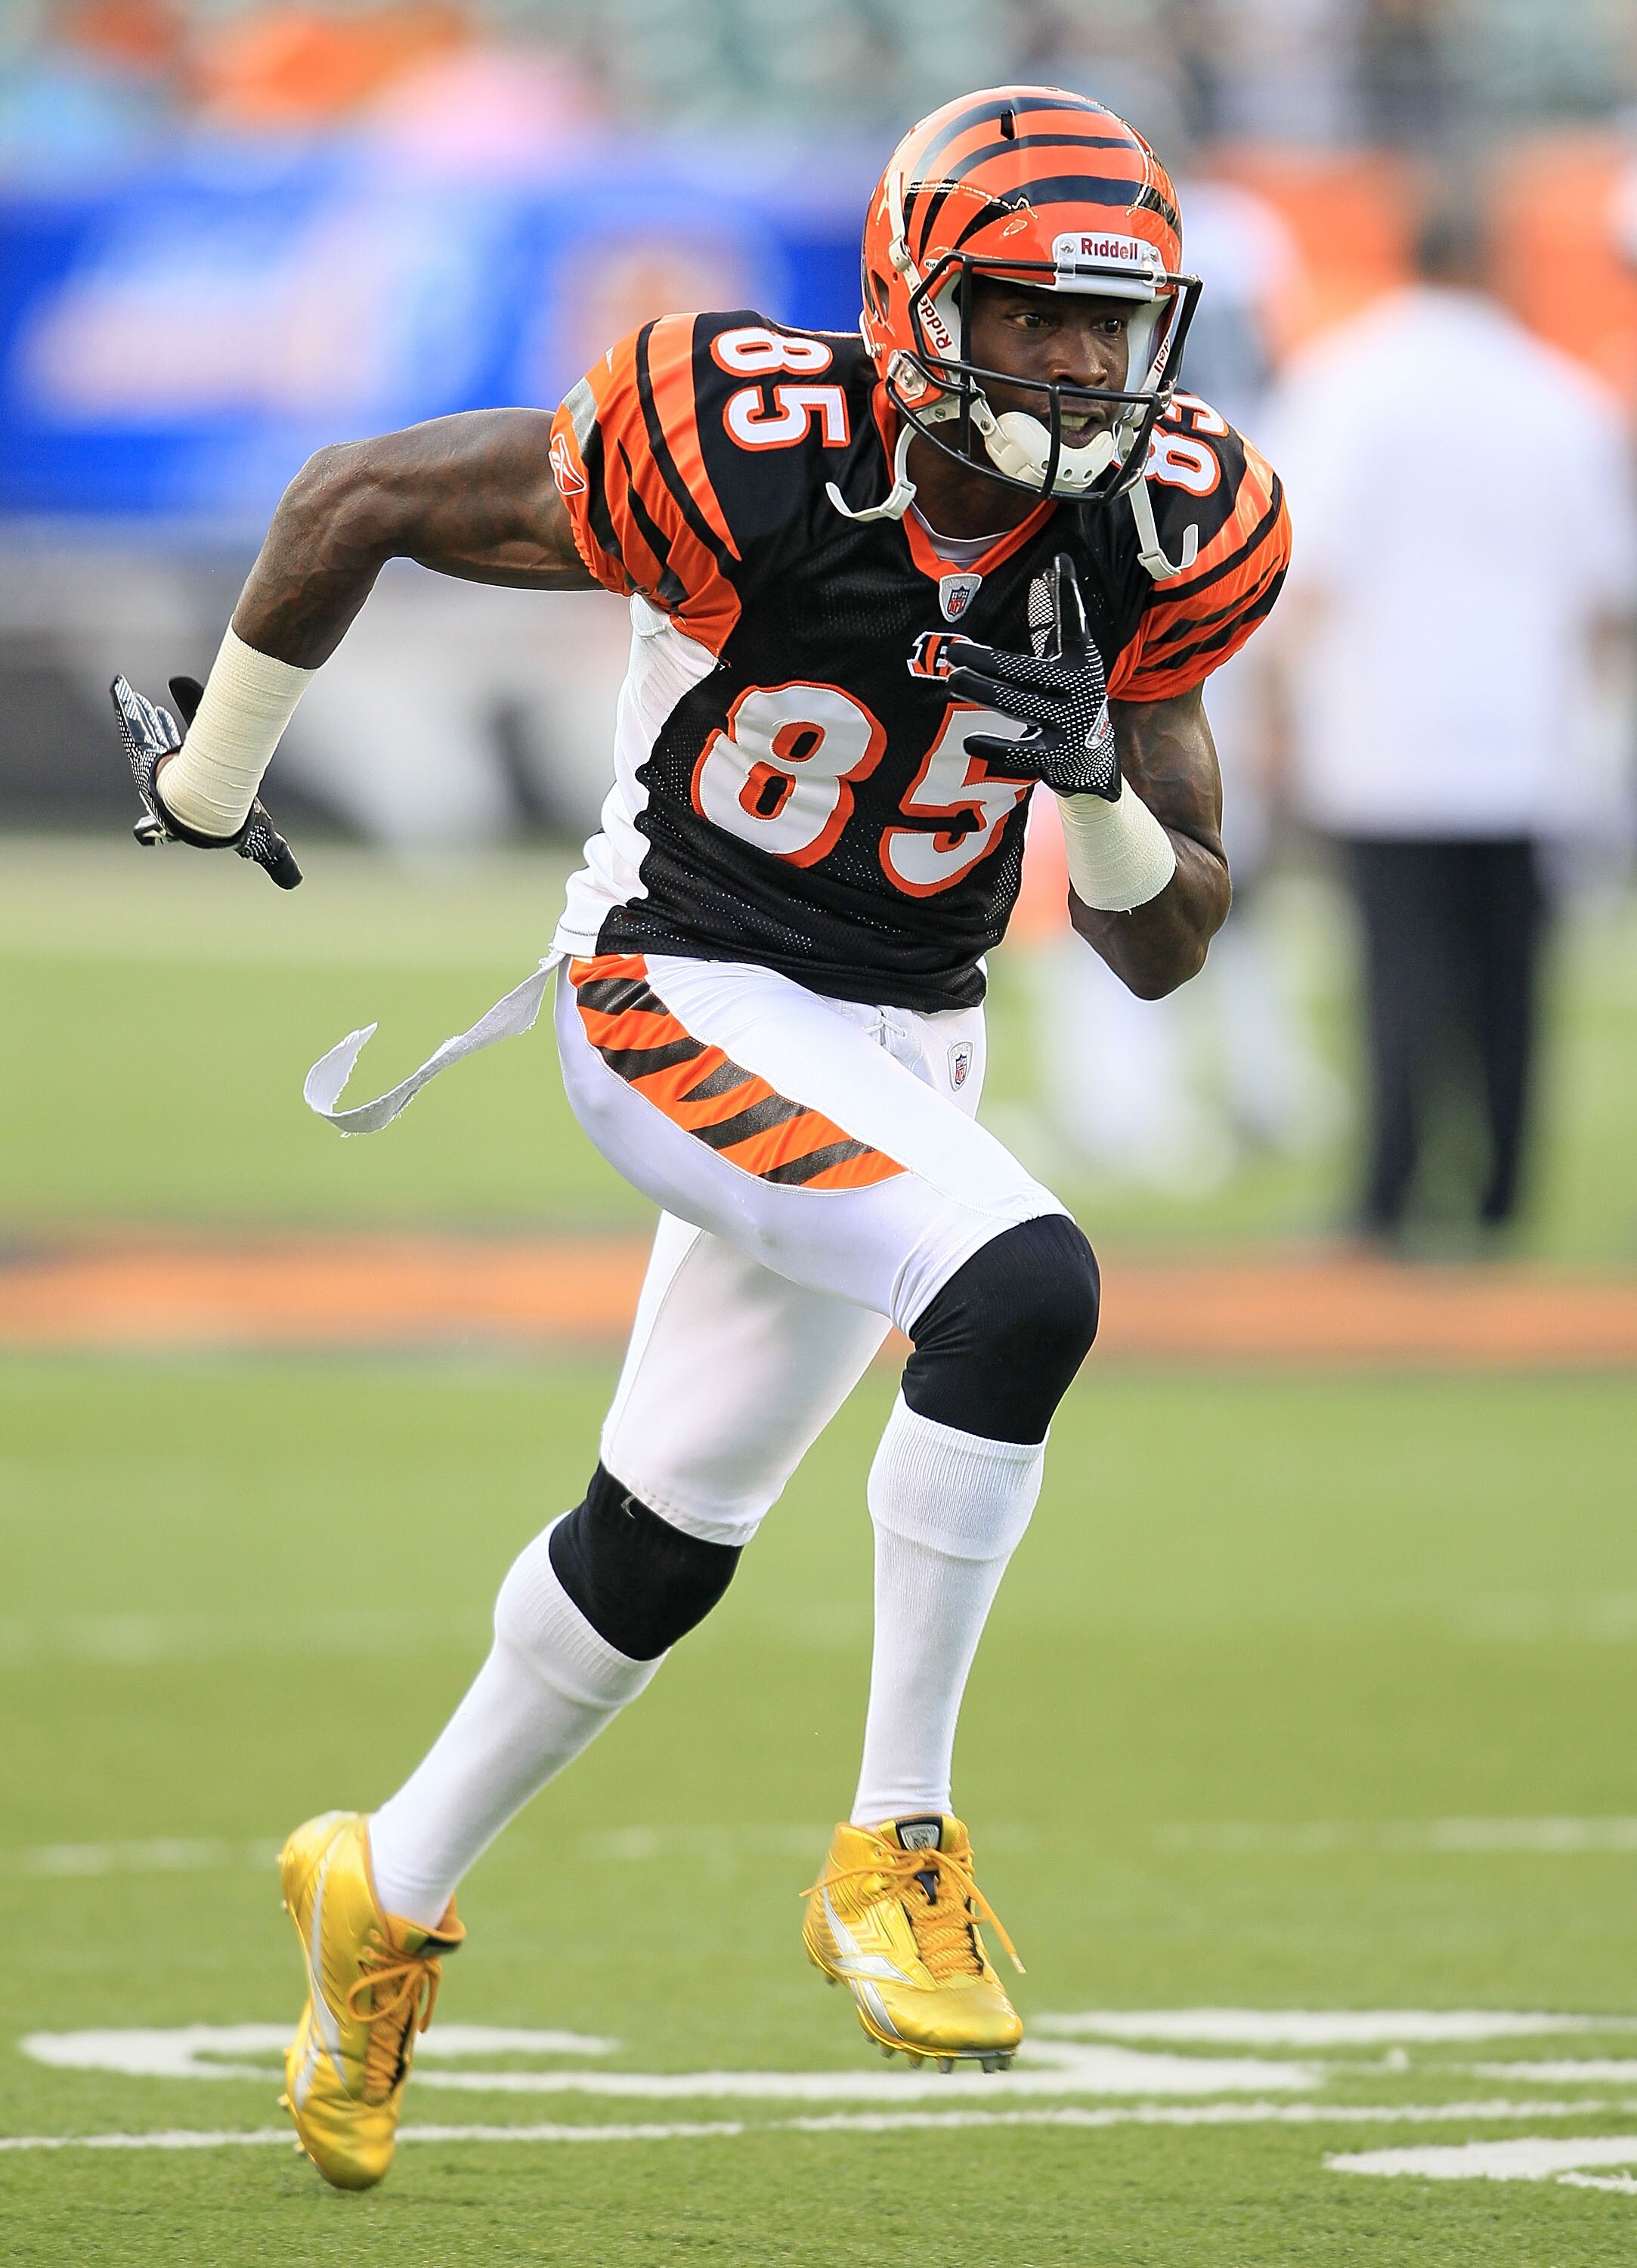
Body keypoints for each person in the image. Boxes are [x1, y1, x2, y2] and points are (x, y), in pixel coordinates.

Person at [110, 85, 1288, 2190]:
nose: (1078, 369)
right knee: (1022, 1287)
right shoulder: (748, 446)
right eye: (1026, 317)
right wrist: (210, 783)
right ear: (919, 301)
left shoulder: (1156, 523)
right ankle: (892, 1845)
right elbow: (354, 490)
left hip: (906, 1045)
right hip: (679, 987)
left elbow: (1166, 949)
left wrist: (1091, 779)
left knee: (660, 1547)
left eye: (1107, 327)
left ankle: (379, 1889)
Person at [1265, 192, 1635, 1244]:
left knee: (1398, 970)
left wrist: (1276, 709)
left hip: (1385, 728)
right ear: (1491, 264)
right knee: (1513, 980)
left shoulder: (1350, 378)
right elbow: (1605, 597)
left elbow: (1308, 565)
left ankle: (1385, 1197)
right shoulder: (1555, 392)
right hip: (1525, 736)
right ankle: (1501, 1199)